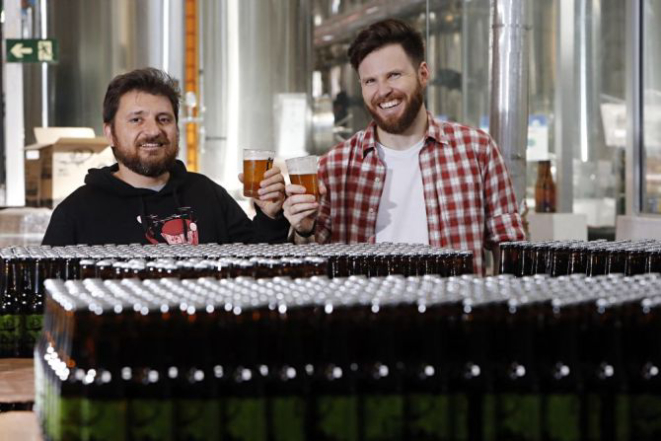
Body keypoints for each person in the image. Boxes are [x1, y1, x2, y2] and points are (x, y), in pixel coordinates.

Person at [283, 19, 525, 274]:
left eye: (394, 75)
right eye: (370, 81)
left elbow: (509, 249)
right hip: (365, 312)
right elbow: (311, 266)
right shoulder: (334, 165)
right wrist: (303, 229)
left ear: (423, 74)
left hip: (454, 310)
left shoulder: (476, 150)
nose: (383, 91)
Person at [43, 67, 289, 246]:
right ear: (110, 133)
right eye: (136, 119)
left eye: (164, 119)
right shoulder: (75, 213)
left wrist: (270, 216)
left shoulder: (207, 194)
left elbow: (257, 269)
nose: (153, 131)